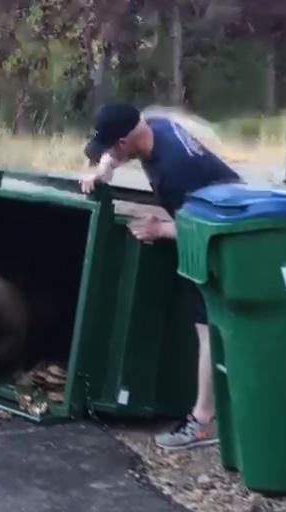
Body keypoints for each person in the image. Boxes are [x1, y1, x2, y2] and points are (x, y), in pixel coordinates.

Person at [80, 102, 243, 451]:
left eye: (110, 148)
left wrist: (162, 229)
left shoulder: (174, 171)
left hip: (231, 233)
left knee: (209, 329)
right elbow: (123, 145)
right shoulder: (154, 126)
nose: (109, 153)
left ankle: (200, 423)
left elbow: (211, 228)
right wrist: (104, 170)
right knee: (213, 326)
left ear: (124, 142)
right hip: (217, 208)